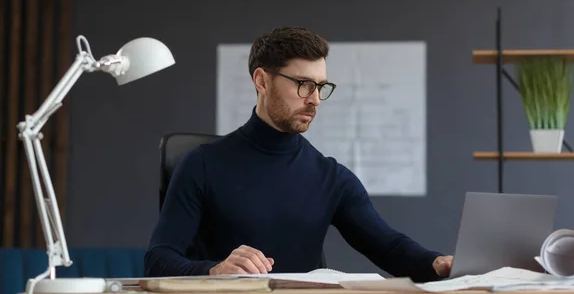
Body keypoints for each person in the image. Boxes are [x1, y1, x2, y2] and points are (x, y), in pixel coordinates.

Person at [144, 26, 453, 282]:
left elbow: (389, 247)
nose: (315, 99)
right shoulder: (201, 164)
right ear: (262, 81)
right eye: (304, 85)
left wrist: (437, 263)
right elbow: (158, 260)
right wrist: (213, 270)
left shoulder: (331, 177)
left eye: (321, 87)